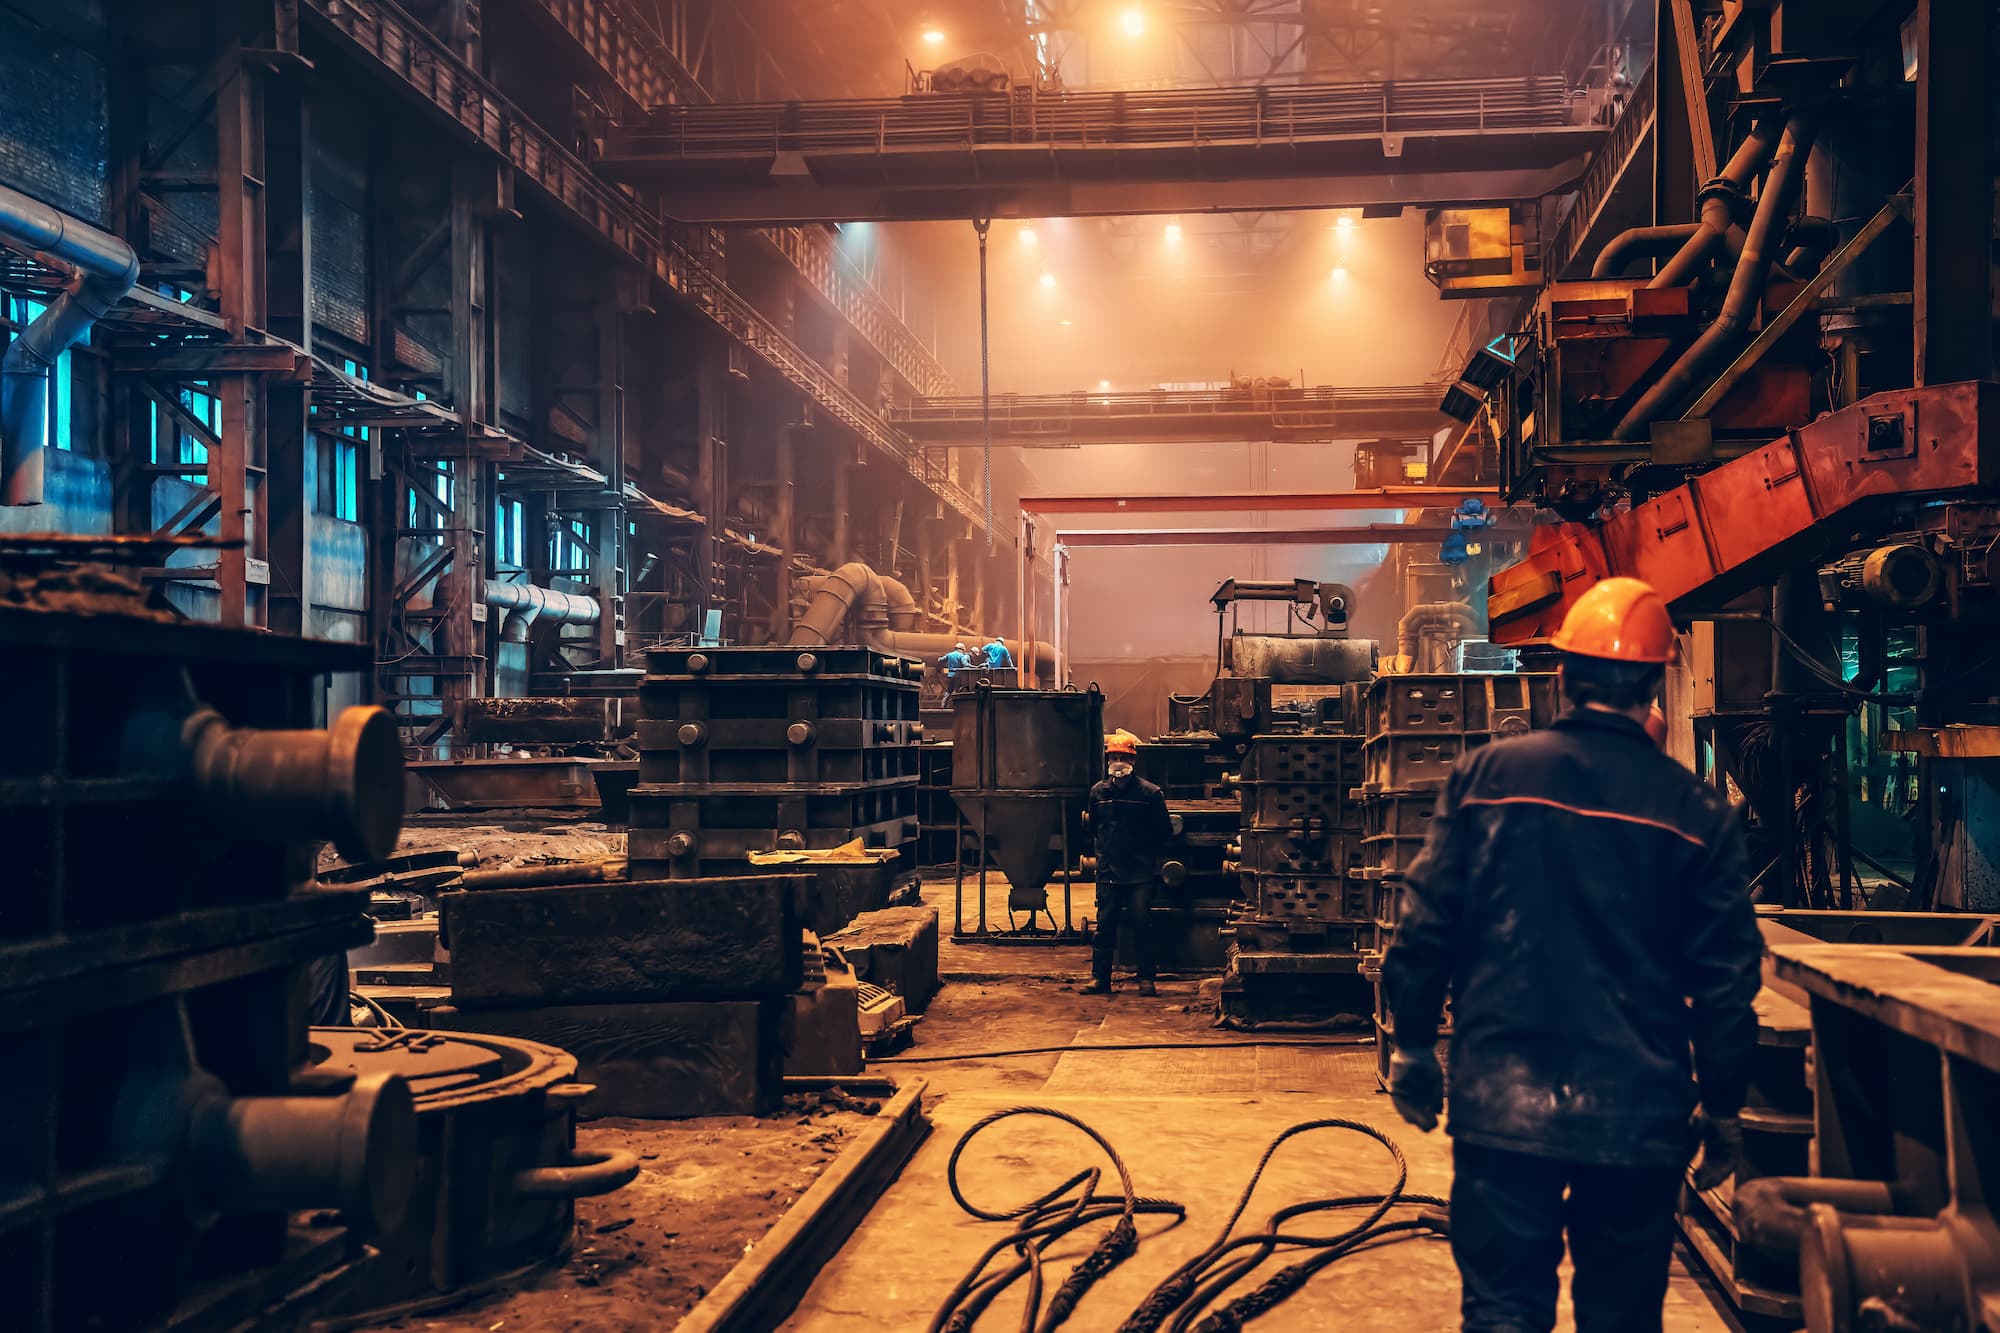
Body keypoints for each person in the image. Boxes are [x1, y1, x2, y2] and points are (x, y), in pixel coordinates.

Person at [1380, 577, 1760, 1333]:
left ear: (1560, 677)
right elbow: (1725, 986)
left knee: (1502, 1311)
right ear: (1656, 683)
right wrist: (1722, 1108)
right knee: (1620, 1316)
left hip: (1501, 1101)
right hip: (1635, 1116)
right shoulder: (1698, 814)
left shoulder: (1488, 779)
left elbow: (1426, 925)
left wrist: (1415, 1047)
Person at [1084, 729, 1174, 997]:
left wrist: (1147, 856)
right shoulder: (1098, 793)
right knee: (1105, 927)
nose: (1119, 762)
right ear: (1108, 760)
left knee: (1142, 925)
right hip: (1109, 872)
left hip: (1139, 874)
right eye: (1114, 757)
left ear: (1133, 761)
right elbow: (1093, 831)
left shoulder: (1150, 794)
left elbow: (1164, 831)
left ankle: (1146, 979)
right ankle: (1101, 979)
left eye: (1124, 757)